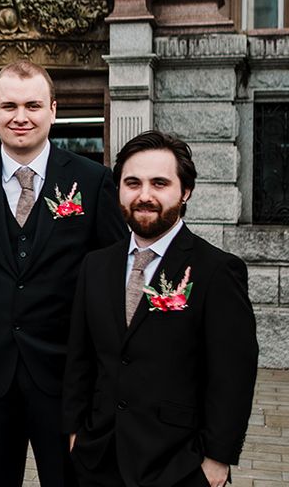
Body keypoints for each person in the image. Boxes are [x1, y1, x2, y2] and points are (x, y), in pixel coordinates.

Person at [0, 60, 127, 487]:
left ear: (53, 110)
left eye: (32, 105)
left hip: (66, 380)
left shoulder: (93, 180)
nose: (20, 117)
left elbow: (112, 277)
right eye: (9, 106)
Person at [64, 130, 258, 487]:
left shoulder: (217, 271)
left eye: (160, 183)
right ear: (119, 190)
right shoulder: (95, 265)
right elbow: (81, 357)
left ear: (185, 192)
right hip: (98, 456)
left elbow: (232, 375)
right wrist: (76, 432)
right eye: (133, 183)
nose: (145, 196)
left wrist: (217, 458)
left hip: (177, 462)